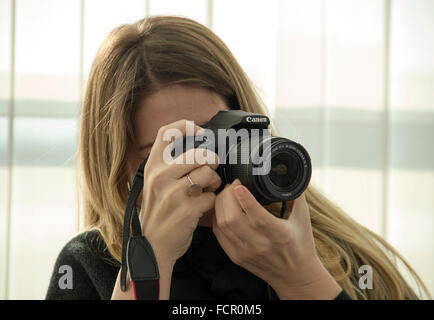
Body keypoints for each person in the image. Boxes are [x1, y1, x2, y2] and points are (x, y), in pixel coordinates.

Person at [46, 15, 430, 300]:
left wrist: (301, 279)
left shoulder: (338, 253)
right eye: (175, 150)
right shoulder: (91, 265)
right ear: (119, 170)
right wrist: (152, 258)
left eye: (215, 136)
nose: (203, 165)